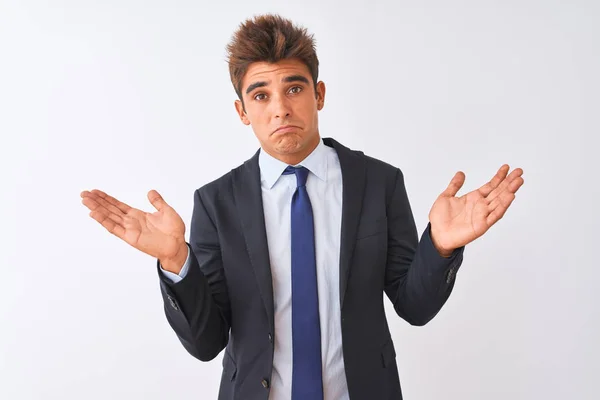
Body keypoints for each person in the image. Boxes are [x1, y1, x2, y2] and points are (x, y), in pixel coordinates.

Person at [80, 13, 524, 400]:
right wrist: (176, 260)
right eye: (260, 96)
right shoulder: (216, 202)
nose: (280, 109)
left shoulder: (379, 183)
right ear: (241, 111)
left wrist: (441, 247)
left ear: (319, 95)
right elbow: (206, 342)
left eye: (294, 88)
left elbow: (414, 306)